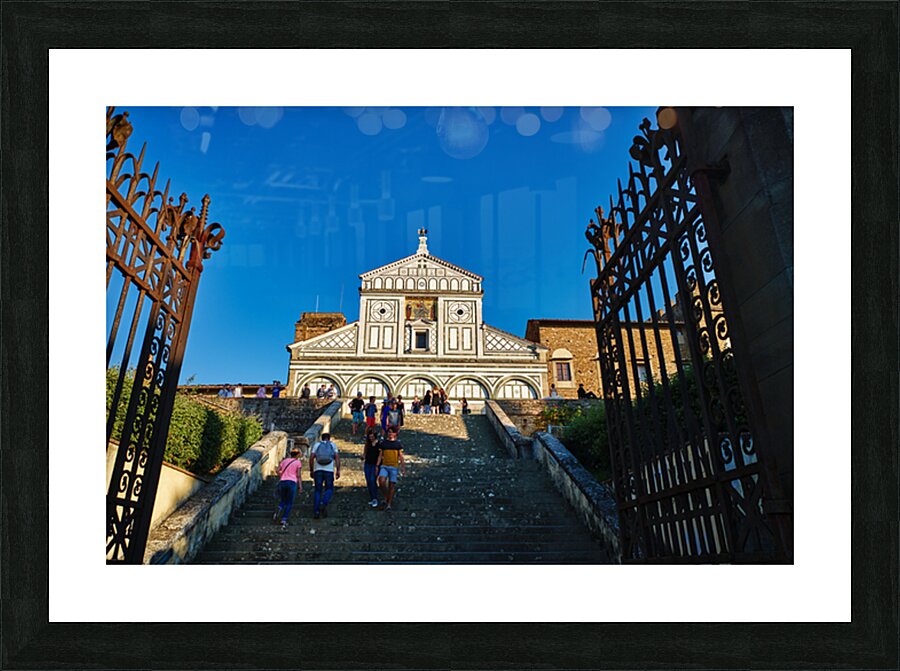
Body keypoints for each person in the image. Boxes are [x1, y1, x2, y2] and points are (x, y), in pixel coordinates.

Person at [310, 432, 340, 519]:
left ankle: (316, 511)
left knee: (317, 490)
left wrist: (311, 470)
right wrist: (338, 470)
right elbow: (337, 458)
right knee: (329, 488)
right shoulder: (333, 445)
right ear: (329, 438)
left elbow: (311, 458)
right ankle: (323, 503)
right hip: (329, 470)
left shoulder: (317, 445)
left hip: (318, 470)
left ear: (321, 438)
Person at [376, 426, 406, 512]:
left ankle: (389, 503)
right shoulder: (384, 443)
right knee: (381, 481)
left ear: (395, 434)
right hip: (384, 466)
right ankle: (387, 497)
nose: (390, 434)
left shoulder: (398, 444)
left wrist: (403, 467)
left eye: (392, 432)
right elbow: (380, 455)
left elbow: (400, 456)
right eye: (389, 432)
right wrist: (377, 466)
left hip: (394, 467)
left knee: (391, 485)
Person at [274, 446, 303, 529]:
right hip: (292, 482)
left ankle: (278, 509)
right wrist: (300, 486)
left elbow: (277, 470)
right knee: (289, 502)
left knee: (283, 500)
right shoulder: (298, 462)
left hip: (283, 482)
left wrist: (281, 475)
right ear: (297, 455)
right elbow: (298, 475)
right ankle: (284, 519)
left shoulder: (284, 461)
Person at [362, 426, 381, 508]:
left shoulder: (379, 444)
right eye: (370, 437)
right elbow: (365, 452)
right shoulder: (368, 444)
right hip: (367, 463)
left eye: (372, 437)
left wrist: (377, 466)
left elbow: (380, 455)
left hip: (374, 464)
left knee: (372, 480)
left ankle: (375, 497)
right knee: (368, 480)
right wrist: (363, 456)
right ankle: (372, 496)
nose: (371, 438)